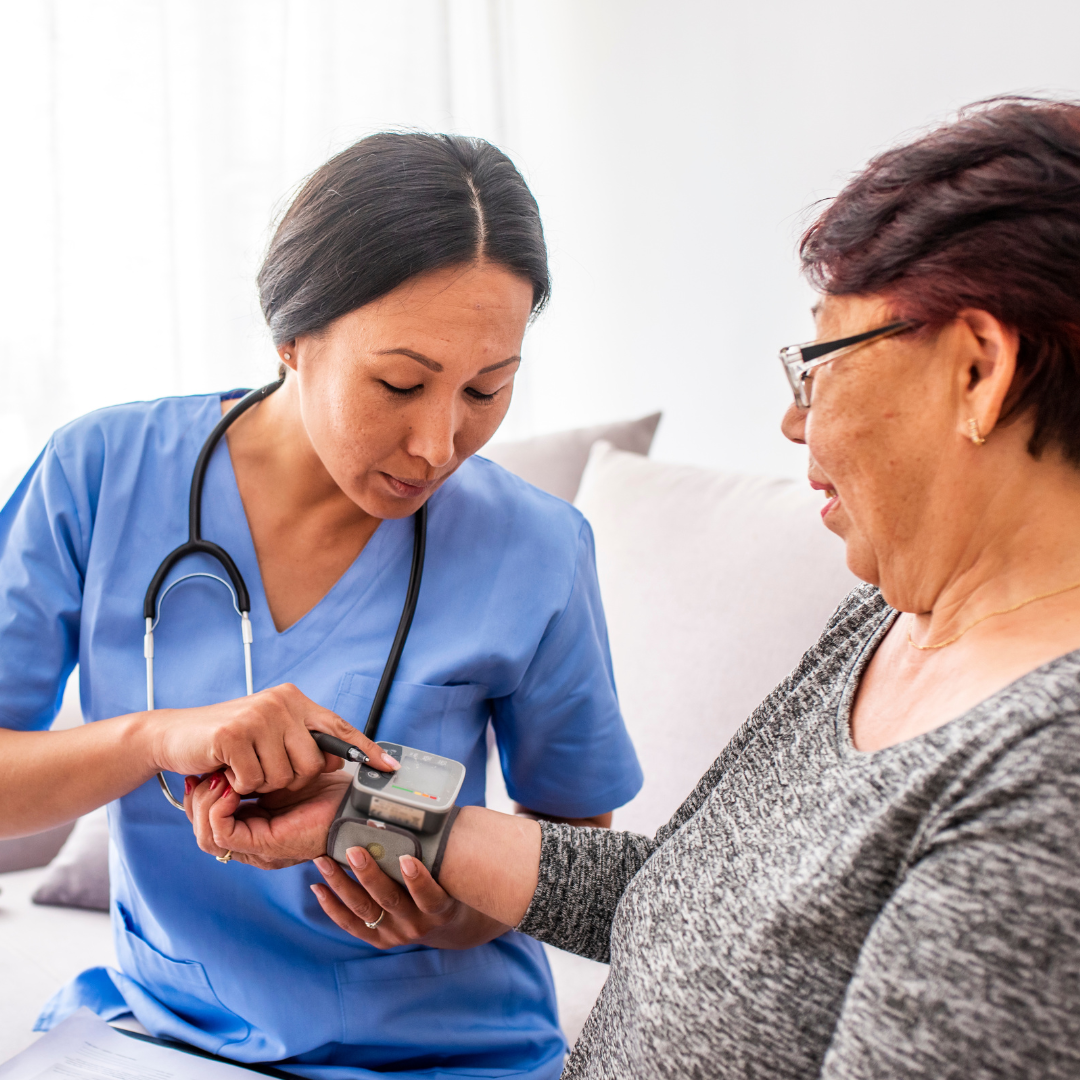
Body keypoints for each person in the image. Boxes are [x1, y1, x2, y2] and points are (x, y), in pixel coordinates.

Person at [197, 98, 1080, 1078]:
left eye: (819, 361)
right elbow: (675, 895)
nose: (795, 425)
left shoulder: (1053, 779)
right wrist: (362, 800)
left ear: (978, 370)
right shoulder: (885, 622)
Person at [0, 133, 643, 1079]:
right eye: (399, 383)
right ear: (291, 338)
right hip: (166, 1038)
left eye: (486, 390)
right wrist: (152, 740)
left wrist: (454, 905)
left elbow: (577, 859)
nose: (436, 443)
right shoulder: (99, 475)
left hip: (453, 1056)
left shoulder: (536, 548)